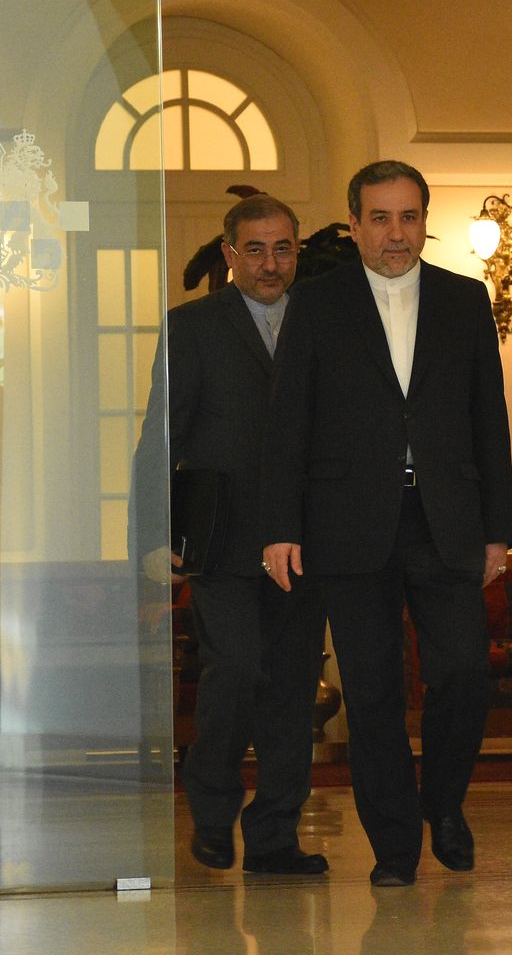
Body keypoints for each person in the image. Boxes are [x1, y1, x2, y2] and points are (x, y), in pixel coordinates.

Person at [260, 160, 512, 888]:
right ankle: (394, 848)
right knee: (371, 695)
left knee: (464, 672)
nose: (395, 233)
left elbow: (487, 419)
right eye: (380, 218)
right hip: (348, 524)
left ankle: (444, 803)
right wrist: (281, 527)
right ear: (355, 225)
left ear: (425, 221)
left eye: (408, 217)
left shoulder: (465, 301)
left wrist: (500, 527)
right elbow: (290, 424)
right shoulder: (316, 303)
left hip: (446, 520)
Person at [132, 194, 329, 875]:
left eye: (283, 248)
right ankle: (212, 817)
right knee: (235, 672)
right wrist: (155, 536)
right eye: (256, 249)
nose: (270, 263)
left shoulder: (327, 319)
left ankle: (275, 836)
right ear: (229, 255)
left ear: (296, 251)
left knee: (290, 691)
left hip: (307, 541)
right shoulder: (193, 327)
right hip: (223, 540)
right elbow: (161, 436)